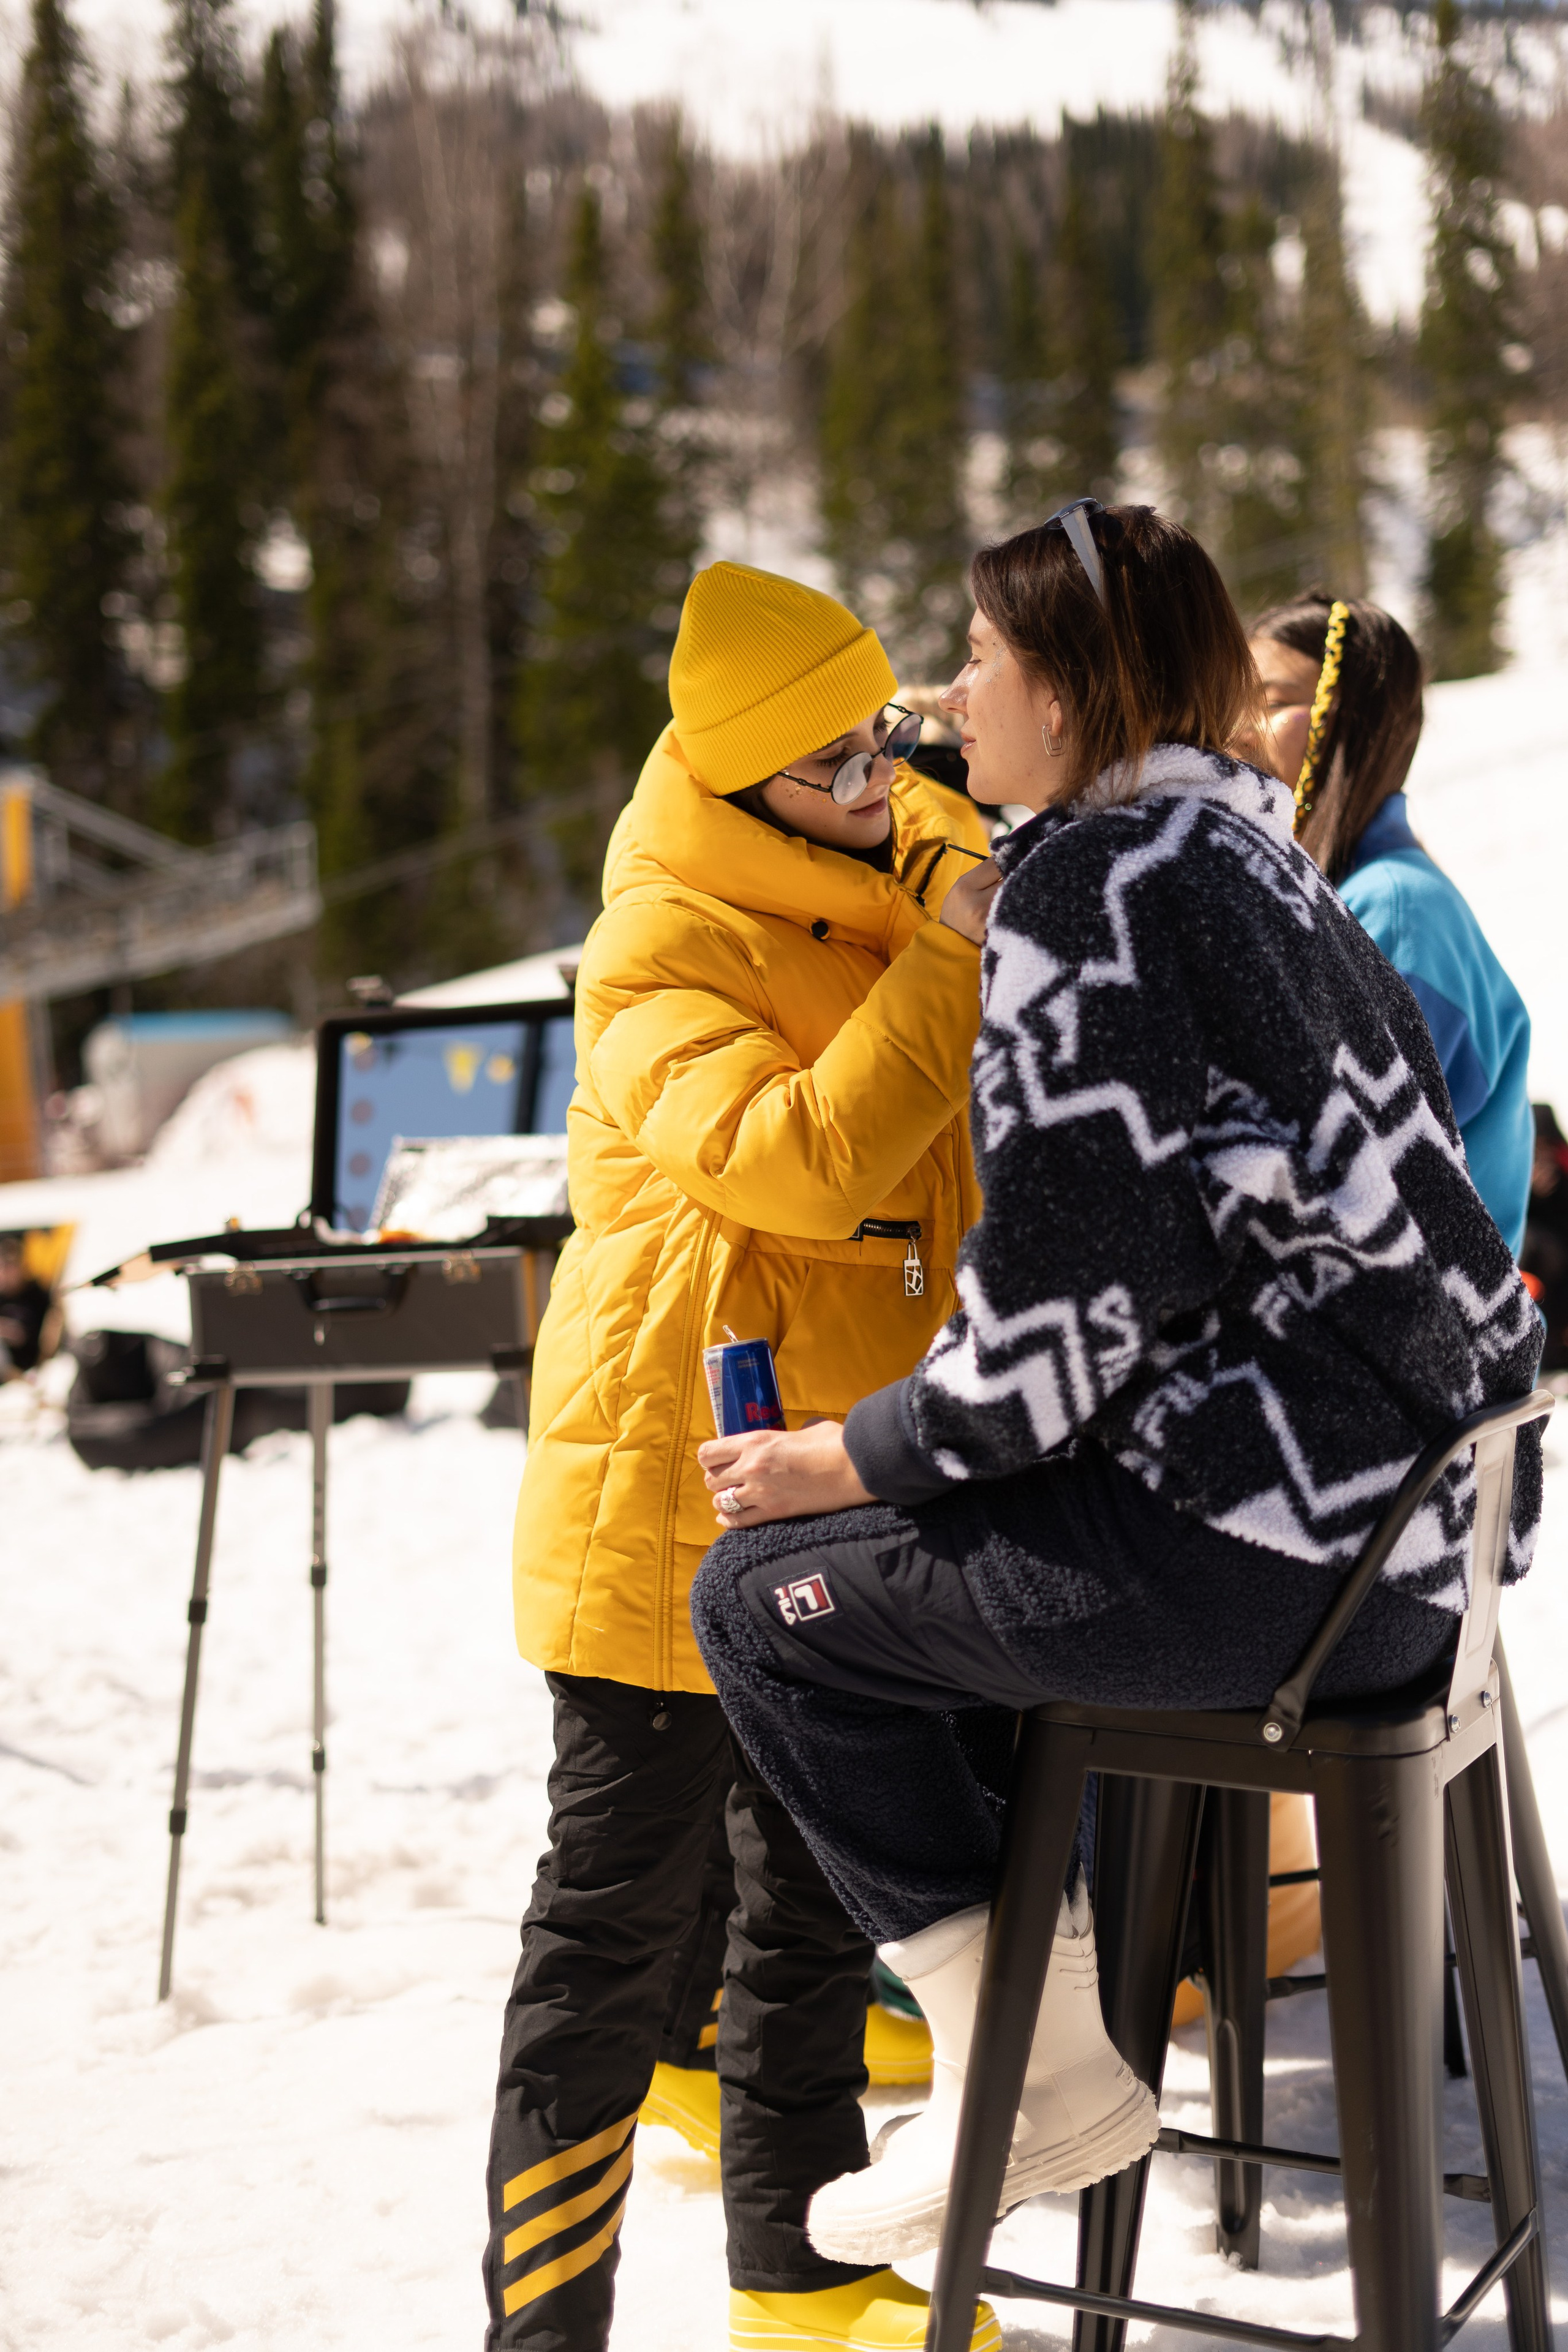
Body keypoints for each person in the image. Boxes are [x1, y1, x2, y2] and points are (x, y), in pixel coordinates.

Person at [685, 503, 1545, 2264]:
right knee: (951, 1562)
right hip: (1407, 1568)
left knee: (759, 1604)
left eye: (979, 659)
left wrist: (854, 1453)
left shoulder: (1093, 889)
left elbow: (1054, 1332)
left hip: (1256, 1579)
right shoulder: (1256, 856)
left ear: (1068, 695)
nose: (949, 696)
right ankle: (1047, 2041)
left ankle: (1029, 2068)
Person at [484, 559, 1005, 2352]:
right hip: (659, 1503)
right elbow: (796, 1160)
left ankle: (795, 2274)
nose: (879, 779)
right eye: (835, 763)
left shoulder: (882, 843)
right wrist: (953, 952)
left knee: (804, 1917)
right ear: (737, 780)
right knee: (611, 1944)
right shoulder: (660, 941)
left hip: (822, 1489)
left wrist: (936, 860)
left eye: (886, 738)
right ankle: (542, 2324)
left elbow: (939, 821)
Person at [1250, 592, 1532, 1254]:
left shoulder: (1392, 913)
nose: (1236, 728)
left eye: (1270, 701)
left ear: (1349, 722)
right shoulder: (1354, 893)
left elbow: (1352, 1177)